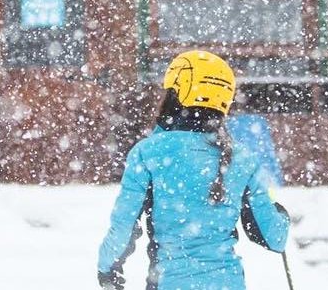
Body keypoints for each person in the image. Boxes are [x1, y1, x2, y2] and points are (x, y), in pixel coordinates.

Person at [97, 51, 290, 290]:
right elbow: (274, 238)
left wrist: (107, 269)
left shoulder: (147, 153)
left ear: (178, 94)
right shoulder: (243, 159)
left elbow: (123, 227)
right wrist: (281, 215)